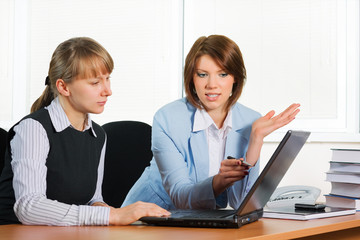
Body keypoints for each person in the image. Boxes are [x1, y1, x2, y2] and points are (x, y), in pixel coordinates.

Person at [0, 37, 169, 226]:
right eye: (95, 82)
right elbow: (29, 207)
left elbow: (91, 200)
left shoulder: (97, 135)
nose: (107, 91)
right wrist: (111, 216)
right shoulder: (33, 129)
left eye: (107, 79)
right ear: (63, 87)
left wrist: (118, 213)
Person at [122, 35, 300, 210]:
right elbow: (181, 198)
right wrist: (218, 182)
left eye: (222, 74)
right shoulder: (167, 119)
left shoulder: (250, 120)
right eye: (202, 74)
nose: (212, 84)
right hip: (147, 220)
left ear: (236, 77)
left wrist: (256, 140)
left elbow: (241, 204)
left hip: (201, 221)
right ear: (192, 77)